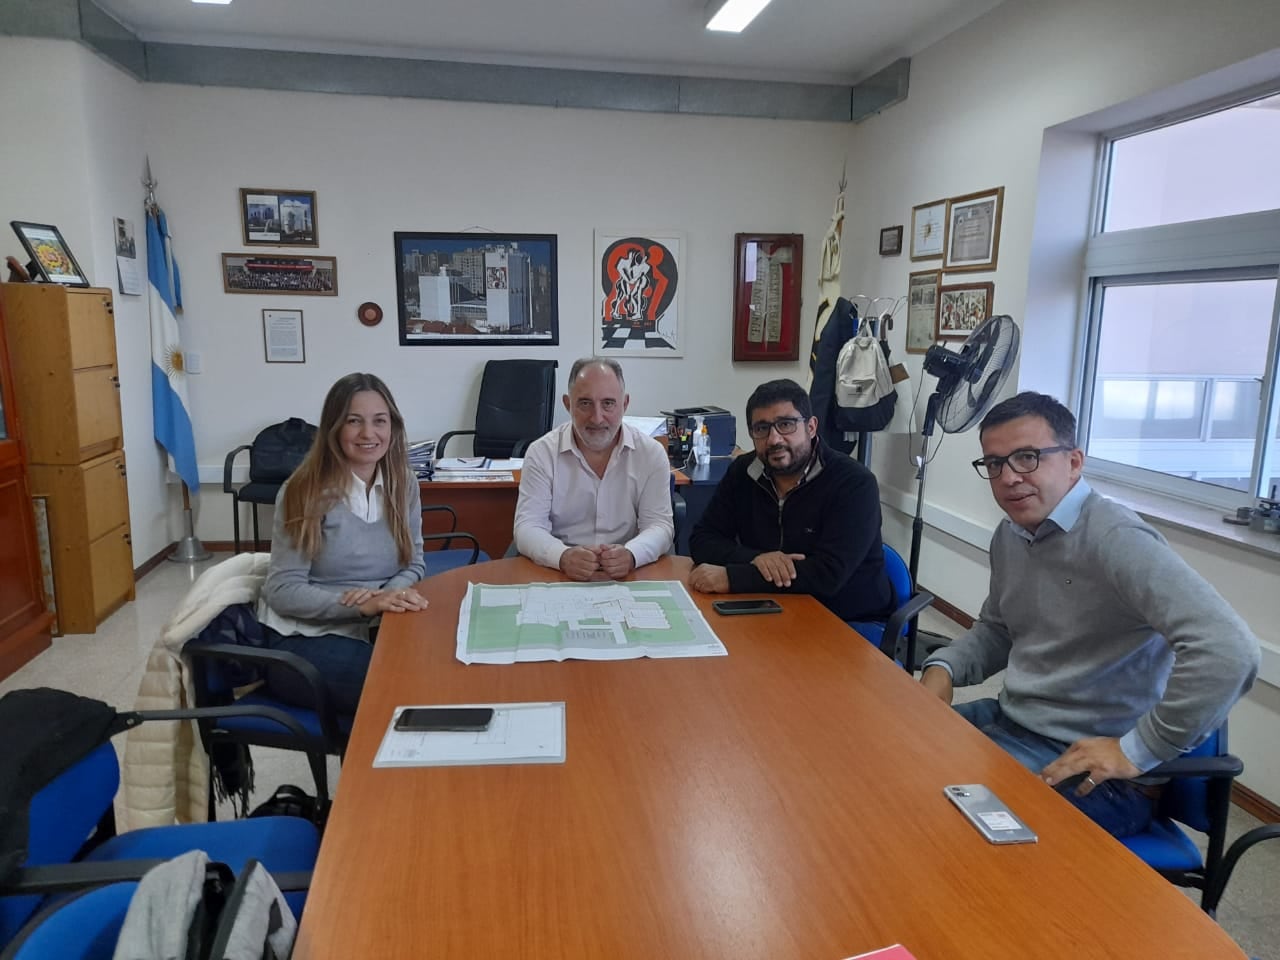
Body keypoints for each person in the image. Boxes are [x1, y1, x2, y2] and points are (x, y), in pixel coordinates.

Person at [919, 391, 1259, 838]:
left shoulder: (1116, 538)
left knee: (957, 839)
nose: (1009, 477)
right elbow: (999, 629)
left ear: (1074, 462)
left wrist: (1139, 750)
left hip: (1094, 768)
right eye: (995, 464)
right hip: (1013, 723)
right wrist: (942, 667)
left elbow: (1229, 650)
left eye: (1027, 457)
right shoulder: (1013, 533)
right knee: (897, 763)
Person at [259, 372, 428, 715]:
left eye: (379, 421)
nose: (369, 434)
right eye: (354, 421)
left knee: (440, 670)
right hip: (303, 639)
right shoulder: (304, 491)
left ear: (393, 427)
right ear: (334, 428)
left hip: (378, 625)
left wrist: (388, 596)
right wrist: (358, 606)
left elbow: (414, 562)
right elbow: (282, 589)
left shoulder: (403, 483)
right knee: (398, 687)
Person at [688, 378, 892, 622]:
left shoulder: (855, 483)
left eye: (786, 424)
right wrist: (756, 558)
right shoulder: (742, 471)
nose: (774, 439)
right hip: (767, 607)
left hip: (844, 617)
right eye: (761, 428)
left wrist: (732, 577)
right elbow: (702, 540)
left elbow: (827, 576)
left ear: (811, 427)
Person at [513, 357, 673, 581]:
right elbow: (527, 526)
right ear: (568, 404)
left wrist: (631, 555)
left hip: (627, 574)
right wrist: (563, 556)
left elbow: (659, 525)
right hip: (560, 574)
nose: (597, 418)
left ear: (624, 404)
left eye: (608, 403)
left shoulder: (651, 454)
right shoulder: (541, 453)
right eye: (585, 403)